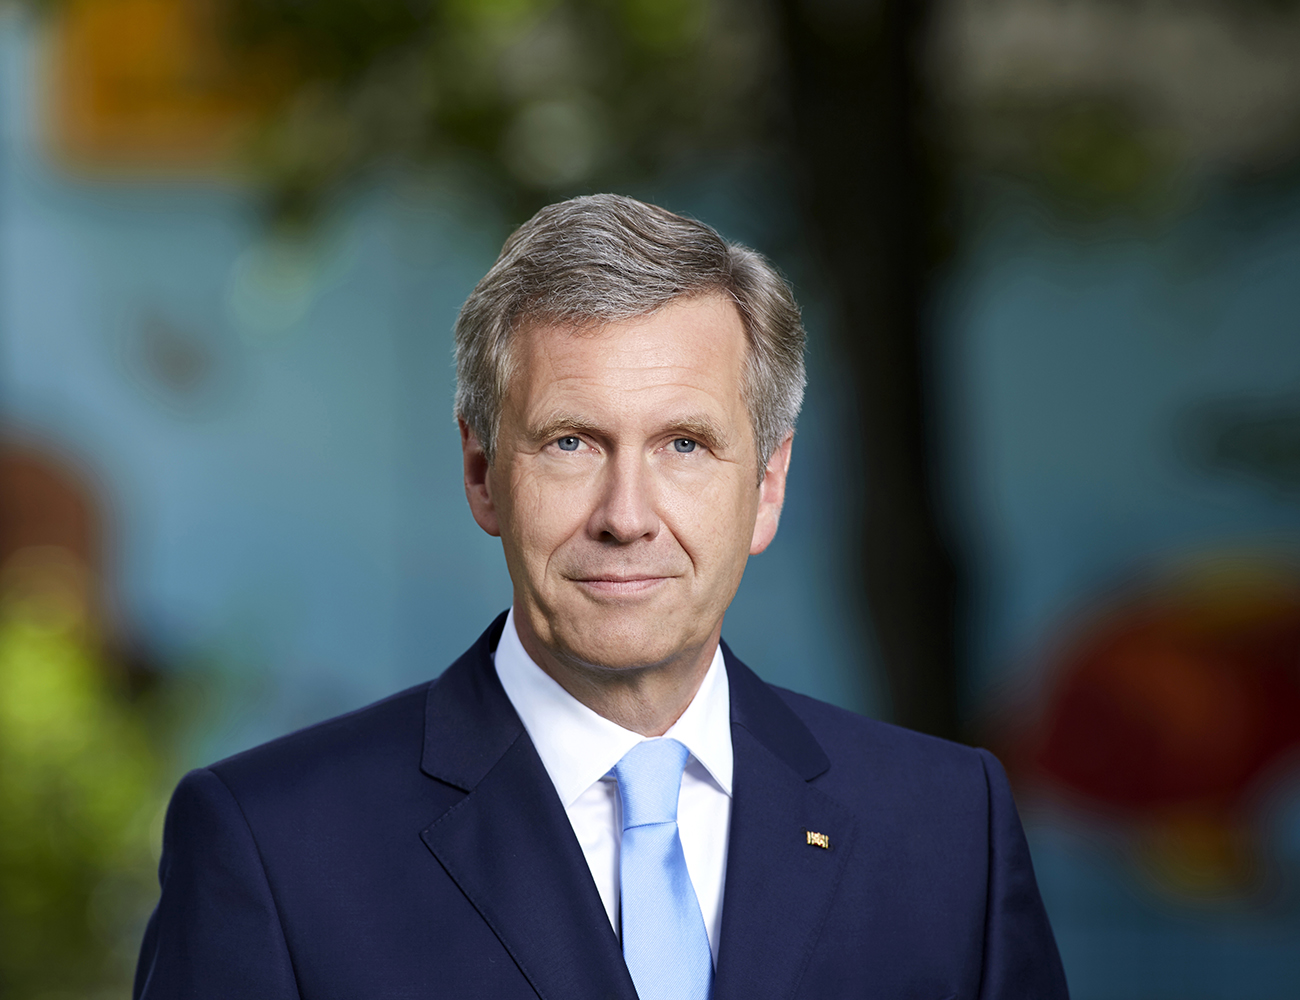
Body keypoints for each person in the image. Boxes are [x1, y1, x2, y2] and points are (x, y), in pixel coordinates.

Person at [133, 194, 1068, 1000]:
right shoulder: (273, 846)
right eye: (572, 441)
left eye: (685, 446)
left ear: (768, 486)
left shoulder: (949, 830)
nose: (627, 517)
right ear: (482, 472)